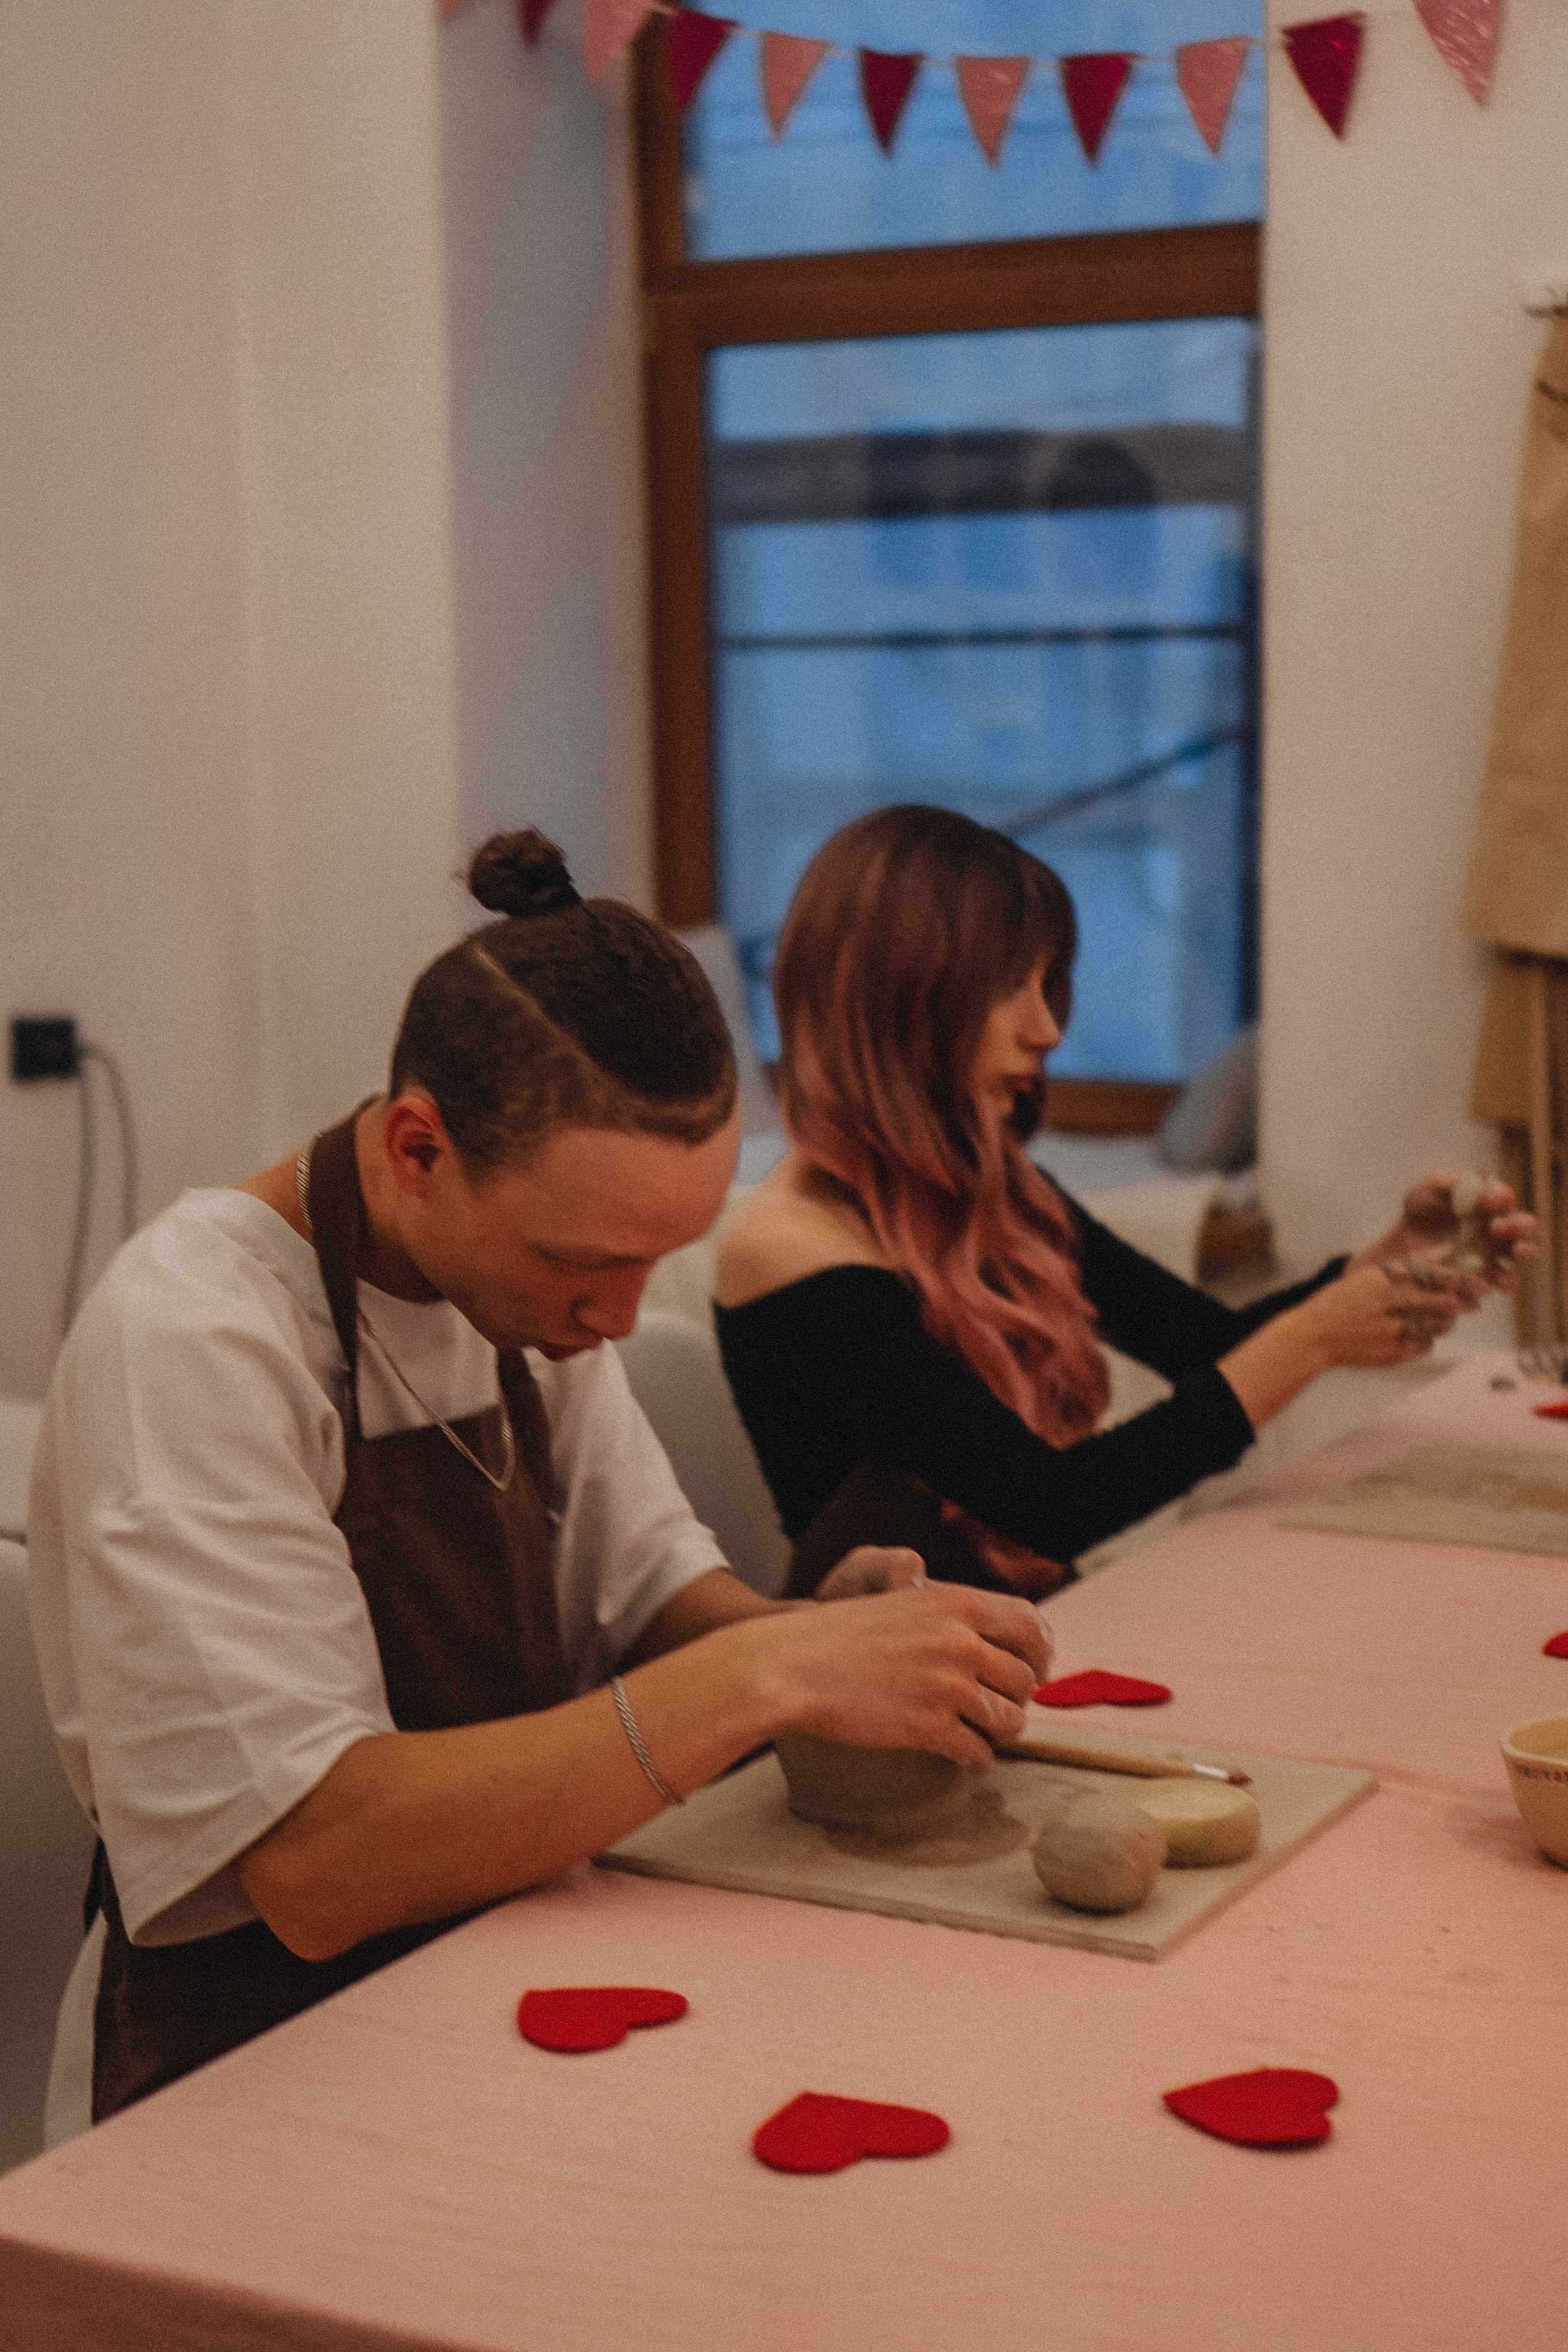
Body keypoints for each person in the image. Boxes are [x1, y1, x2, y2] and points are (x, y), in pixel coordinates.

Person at [26, 829, 1051, 2135]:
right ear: (416, 1148)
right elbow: (316, 1861)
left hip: (489, 1971)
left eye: (656, 1260)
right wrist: (765, 1678)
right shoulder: (196, 1339)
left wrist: (825, 1639)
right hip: (246, 2060)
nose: (618, 1318)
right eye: (584, 1263)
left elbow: (656, 1595)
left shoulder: (524, 1293)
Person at [714, 805, 1535, 1599]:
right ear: (902, 1003)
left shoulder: (995, 1189)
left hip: (1011, 1637)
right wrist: (1316, 1338)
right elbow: (1051, 1505)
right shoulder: (790, 1244)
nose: (1048, 1030)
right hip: (888, 1700)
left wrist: (1387, 1259)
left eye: (1048, 985)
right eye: (1010, 988)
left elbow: (1207, 1345)